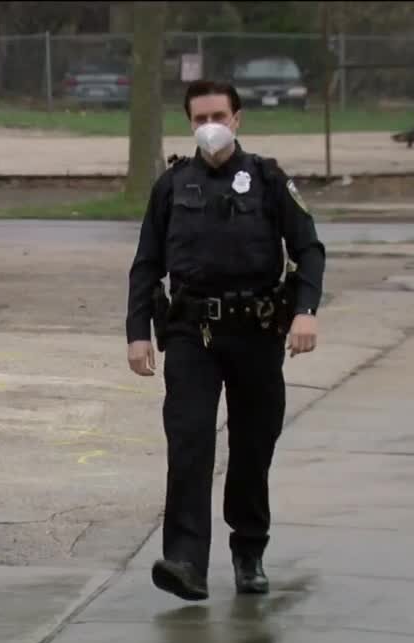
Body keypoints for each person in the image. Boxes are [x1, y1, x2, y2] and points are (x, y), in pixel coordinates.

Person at [125, 79, 326, 602]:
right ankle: (186, 561)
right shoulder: (171, 186)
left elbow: (310, 249)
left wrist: (305, 312)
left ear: (237, 118)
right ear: (188, 123)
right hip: (194, 334)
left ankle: (249, 549)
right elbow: (146, 264)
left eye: (218, 114)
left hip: (257, 332)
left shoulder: (267, 179)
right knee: (189, 441)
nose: (208, 125)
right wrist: (136, 333)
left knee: (252, 446)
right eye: (198, 118)